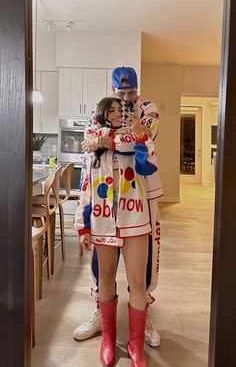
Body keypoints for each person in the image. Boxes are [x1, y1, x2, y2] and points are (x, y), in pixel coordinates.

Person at [73, 67, 163, 347]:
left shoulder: (147, 107)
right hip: (104, 196)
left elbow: (146, 138)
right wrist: (103, 140)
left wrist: (106, 140)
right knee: (103, 261)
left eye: (131, 92)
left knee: (144, 261)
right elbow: (89, 141)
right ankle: (102, 311)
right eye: (121, 93)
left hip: (141, 192)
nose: (126, 98)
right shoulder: (102, 109)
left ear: (138, 89)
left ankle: (143, 309)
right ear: (112, 90)